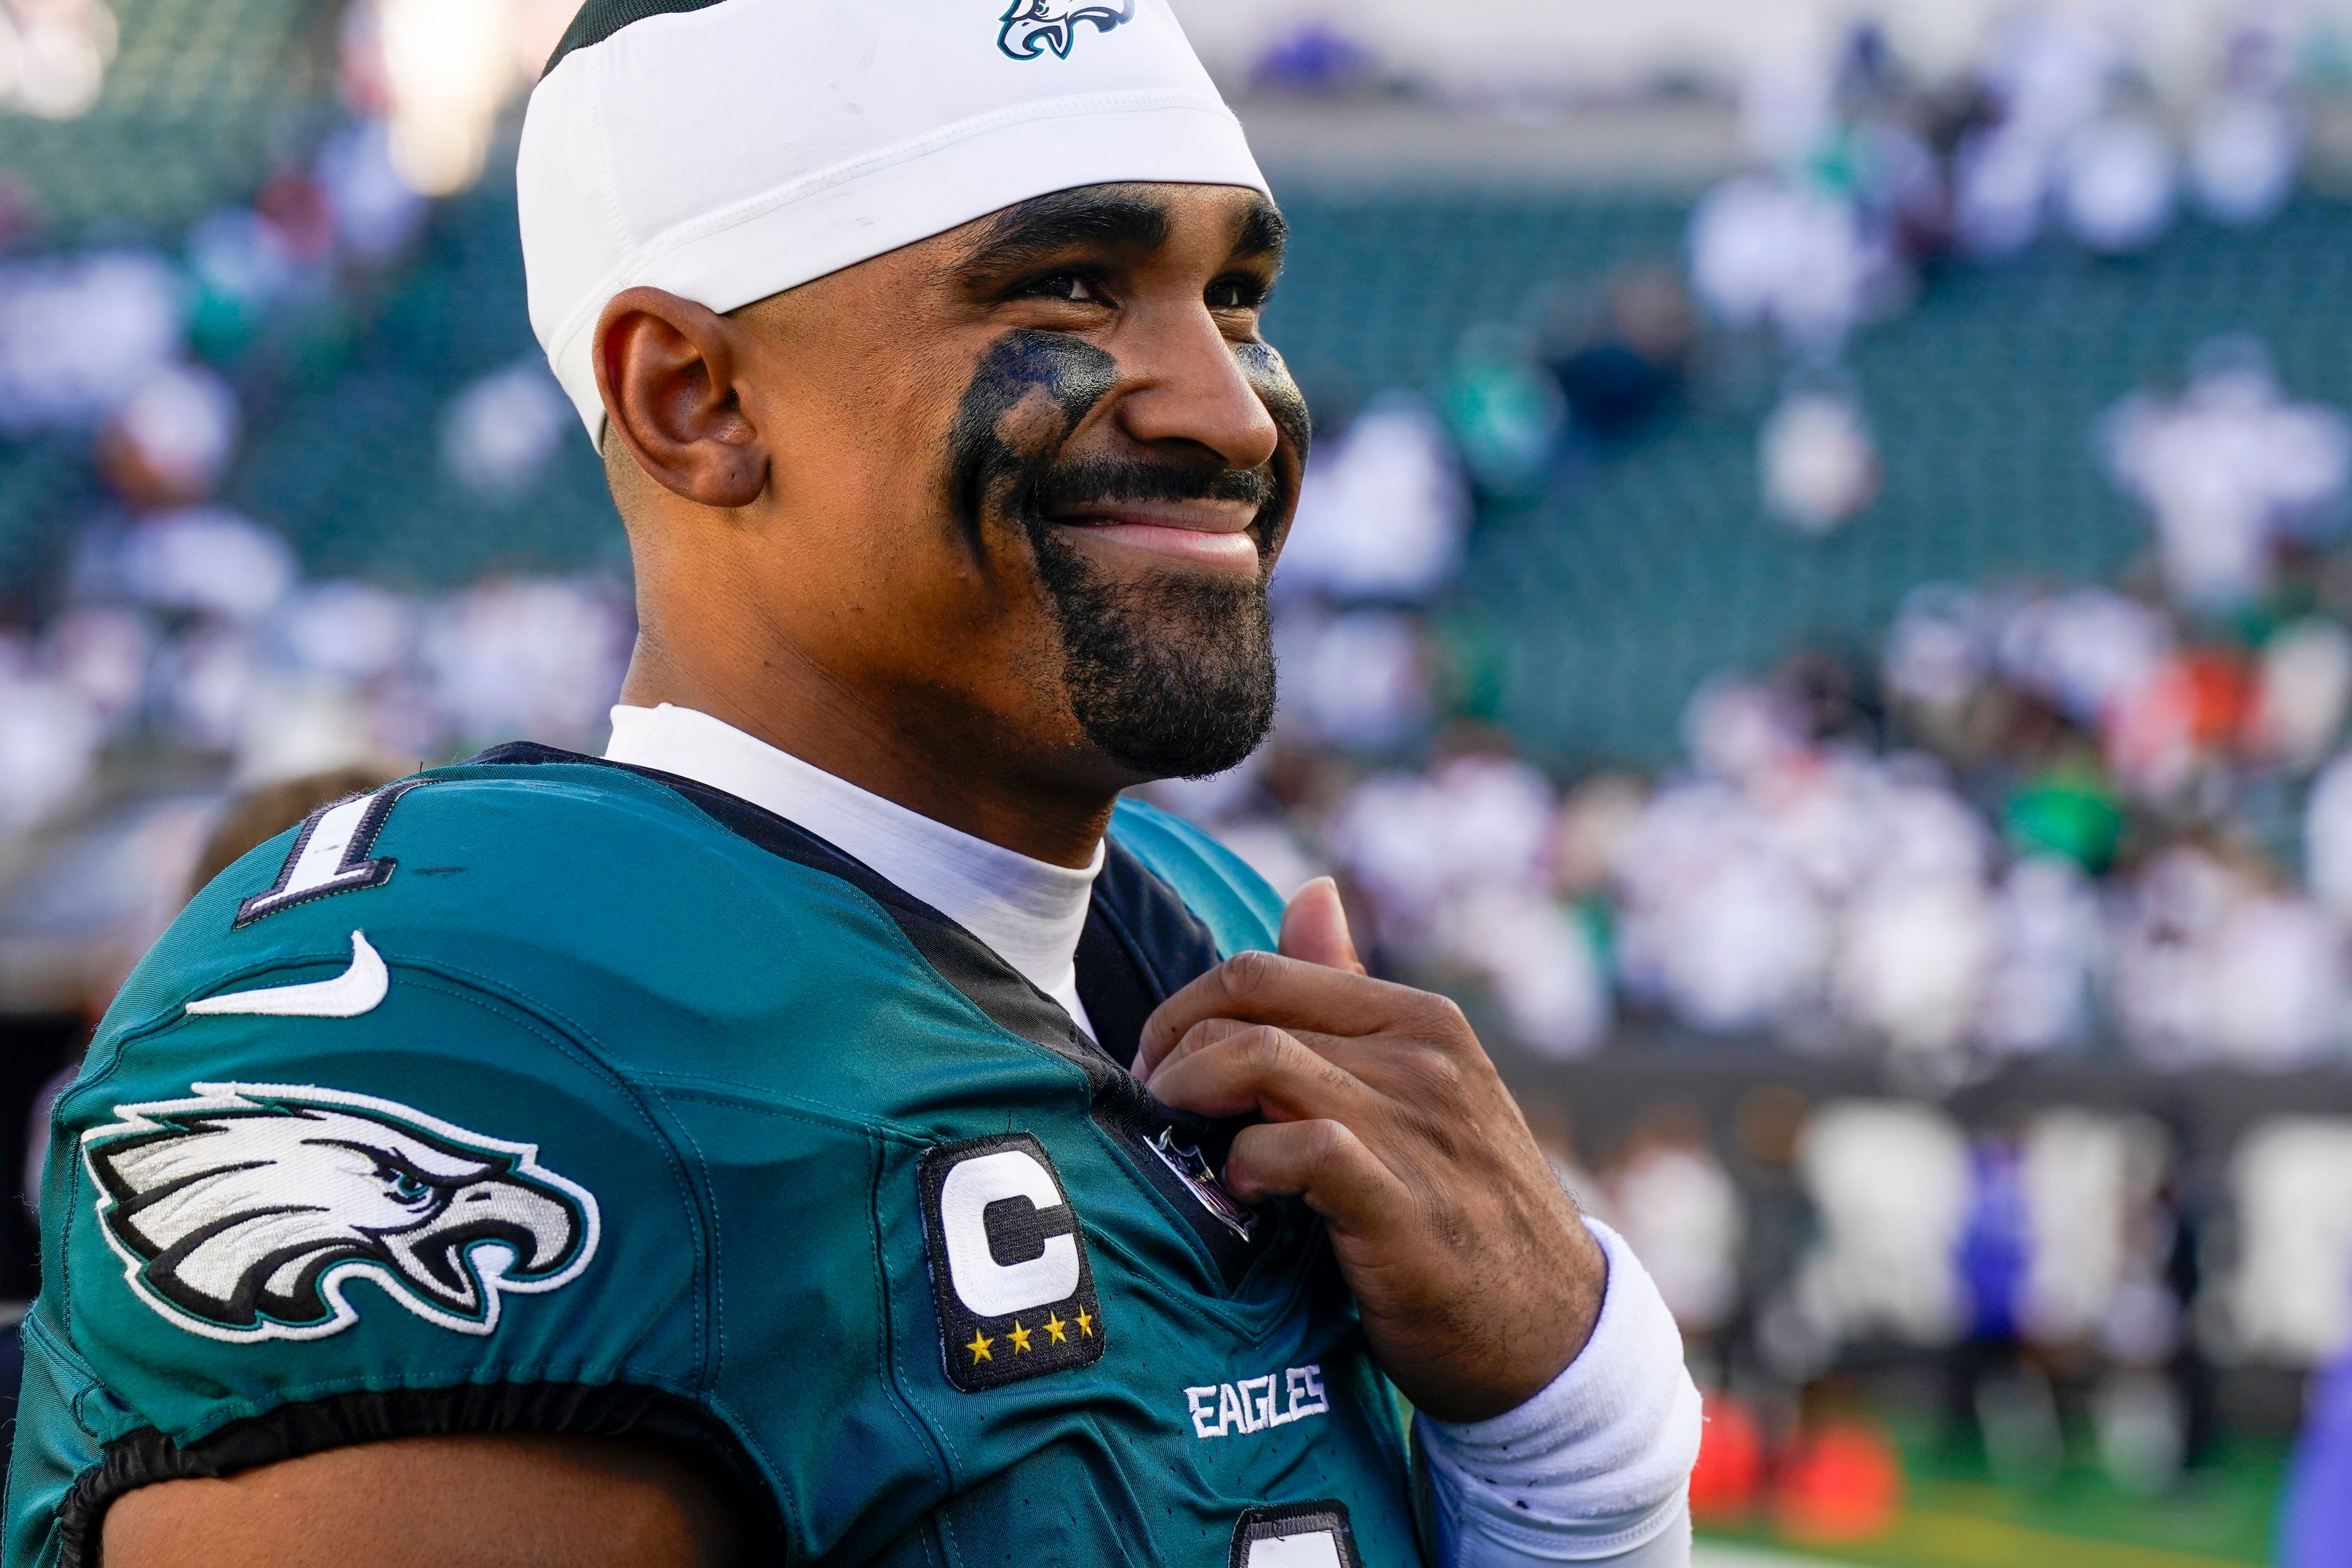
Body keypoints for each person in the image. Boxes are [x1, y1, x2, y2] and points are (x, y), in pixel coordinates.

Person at [5, 3, 1699, 1564]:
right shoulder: (460, 1025)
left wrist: (1568, 1428)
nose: (1229, 410)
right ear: (695, 399)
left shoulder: (1219, 928)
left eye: (1235, 295)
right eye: (1069, 289)